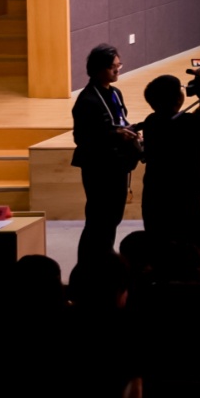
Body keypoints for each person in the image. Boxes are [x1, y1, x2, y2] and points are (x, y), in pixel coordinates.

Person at [136, 70, 200, 271]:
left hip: (155, 198)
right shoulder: (187, 124)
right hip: (184, 200)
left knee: (160, 251)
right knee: (189, 252)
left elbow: (192, 122)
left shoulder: (152, 121)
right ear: (178, 98)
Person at [71, 43, 140, 264]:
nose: (117, 70)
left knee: (113, 218)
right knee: (99, 219)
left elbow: (119, 121)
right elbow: (82, 137)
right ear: (98, 69)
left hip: (118, 164)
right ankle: (89, 265)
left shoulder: (115, 93)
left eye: (119, 65)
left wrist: (129, 132)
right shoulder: (87, 100)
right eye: (112, 67)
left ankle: (104, 258)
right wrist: (116, 134)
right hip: (99, 167)